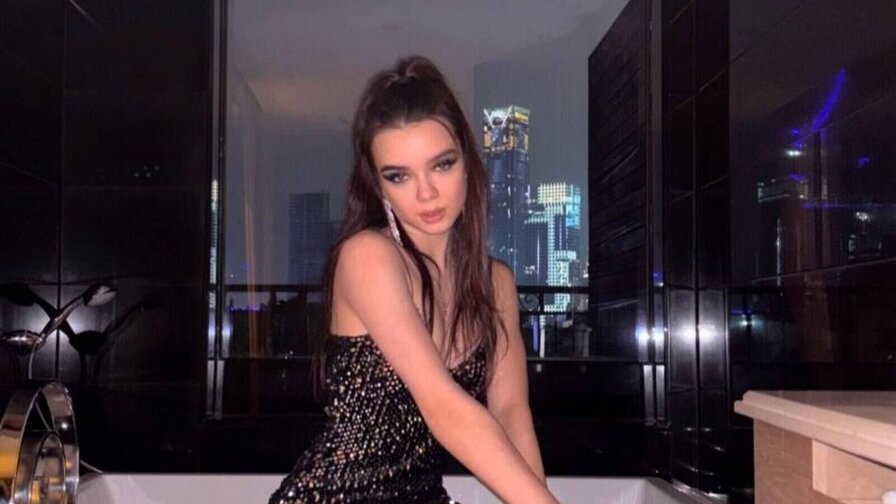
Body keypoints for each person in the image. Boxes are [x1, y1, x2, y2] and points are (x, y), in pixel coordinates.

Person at [269, 55, 559, 504]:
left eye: (441, 165)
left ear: (467, 162)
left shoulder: (495, 283)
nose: (426, 193)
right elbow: (444, 406)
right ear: (379, 186)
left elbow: (510, 412)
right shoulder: (368, 257)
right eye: (399, 176)